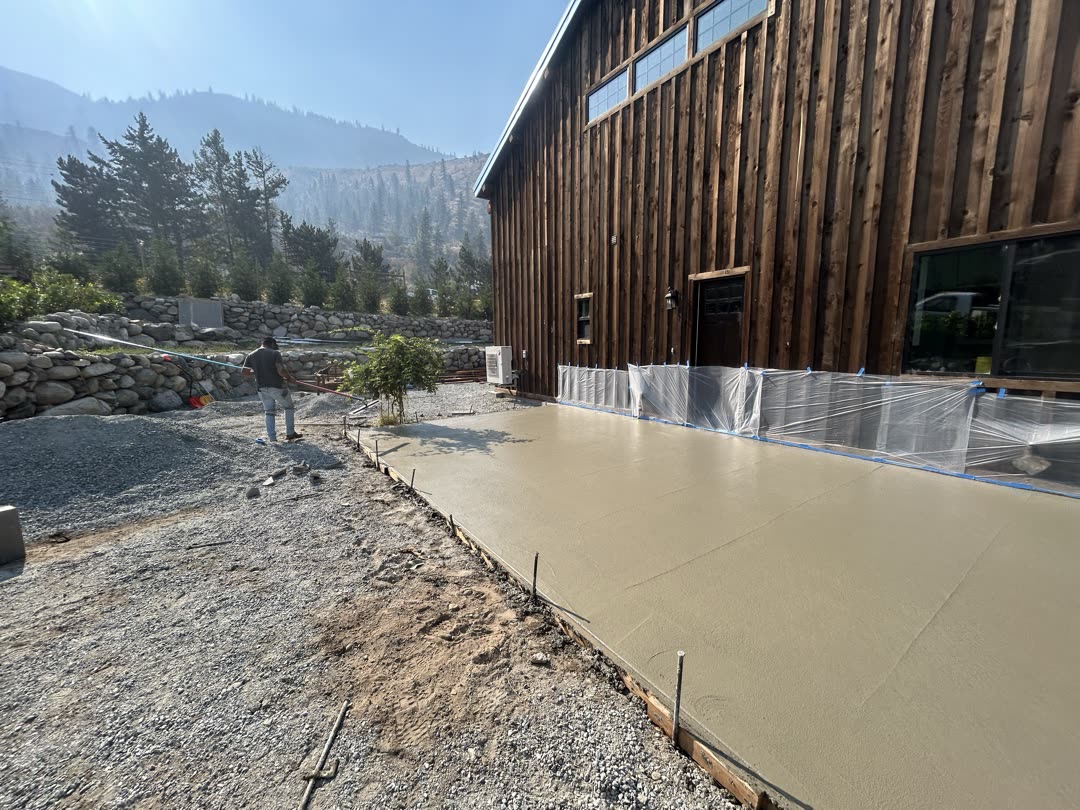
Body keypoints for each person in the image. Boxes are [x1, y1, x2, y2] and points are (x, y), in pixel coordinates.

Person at [242, 337, 302, 442]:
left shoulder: (251, 355)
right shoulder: (274, 353)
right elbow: (281, 370)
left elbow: (245, 372)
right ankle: (290, 433)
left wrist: (256, 372)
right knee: (289, 407)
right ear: (272, 344)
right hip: (277, 387)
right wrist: (289, 378)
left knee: (269, 412)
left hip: (262, 388)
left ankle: (272, 438)